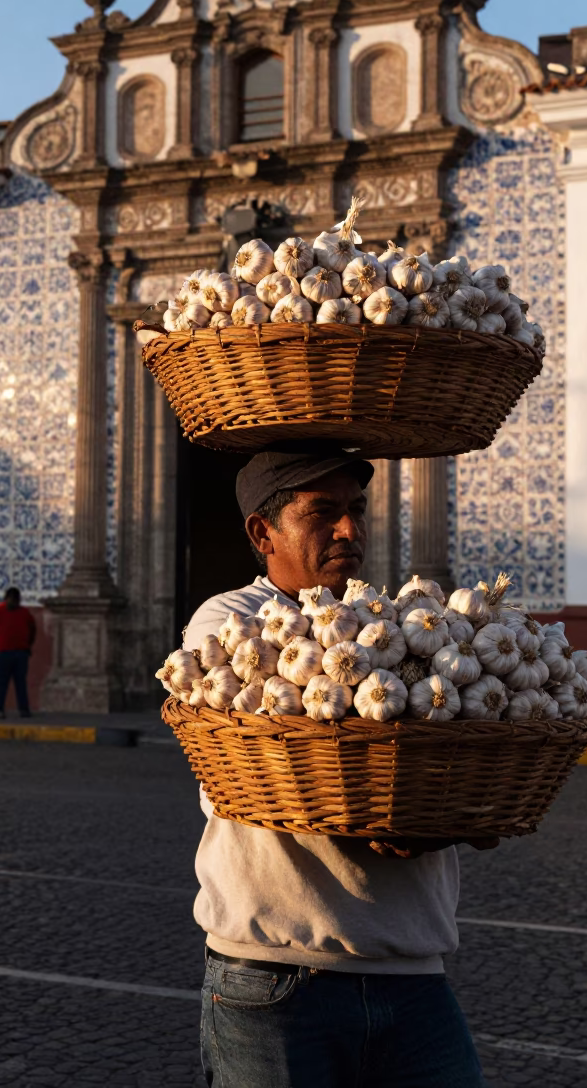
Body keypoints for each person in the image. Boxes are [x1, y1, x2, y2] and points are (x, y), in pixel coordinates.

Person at [182, 443, 492, 1088]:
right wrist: (411, 806)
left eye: (356, 509)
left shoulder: (394, 624)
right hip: (276, 976)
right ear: (262, 532)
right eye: (323, 512)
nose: (350, 528)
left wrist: (464, 807)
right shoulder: (231, 622)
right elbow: (287, 763)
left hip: (411, 968)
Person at [0, 586, 36, 720]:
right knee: (18, 682)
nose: (14, 602)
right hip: (17, 652)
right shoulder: (23, 613)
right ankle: (23, 710)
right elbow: (32, 631)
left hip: (5, 652)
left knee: (5, 682)